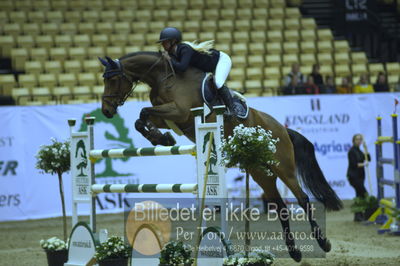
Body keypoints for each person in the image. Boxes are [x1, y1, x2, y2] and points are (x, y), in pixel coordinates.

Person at [157, 27, 240, 117]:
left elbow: (182, 67)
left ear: (173, 41)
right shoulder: (173, 53)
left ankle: (232, 110)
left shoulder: (185, 49)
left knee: (218, 82)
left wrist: (169, 59)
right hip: (209, 67)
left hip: (221, 60)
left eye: (165, 42)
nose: (162, 44)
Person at [347, 134, 371, 221]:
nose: (358, 141)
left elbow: (368, 158)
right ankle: (361, 214)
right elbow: (354, 164)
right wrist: (364, 164)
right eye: (357, 139)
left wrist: (366, 149)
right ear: (353, 140)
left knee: (359, 194)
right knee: (364, 194)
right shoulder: (352, 151)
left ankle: (358, 215)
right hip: (354, 176)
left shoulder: (360, 151)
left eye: (360, 139)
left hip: (360, 176)